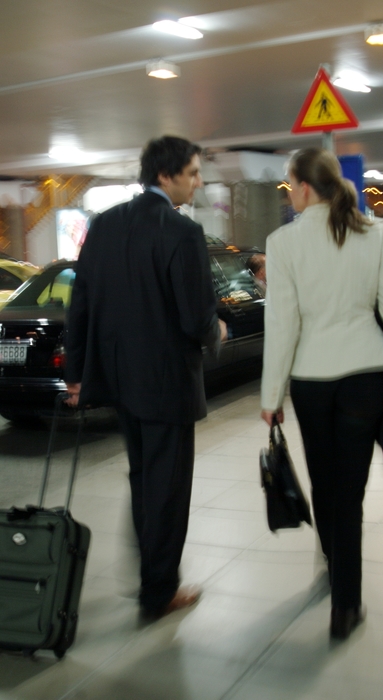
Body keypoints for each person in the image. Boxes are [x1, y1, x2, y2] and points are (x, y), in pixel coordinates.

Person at [65, 135, 227, 620]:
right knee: (169, 488)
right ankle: (159, 592)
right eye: (193, 173)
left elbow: (83, 305)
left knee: (144, 478)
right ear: (165, 175)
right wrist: (214, 329)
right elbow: (195, 316)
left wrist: (77, 372)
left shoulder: (105, 225)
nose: (198, 182)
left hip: (118, 380)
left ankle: (152, 579)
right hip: (167, 384)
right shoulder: (181, 232)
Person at [260, 148, 383, 640]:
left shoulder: (283, 243)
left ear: (305, 188)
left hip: (311, 382)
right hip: (365, 377)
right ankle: (346, 607)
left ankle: (332, 563)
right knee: (350, 493)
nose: (290, 193)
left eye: (290, 185)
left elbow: (283, 325)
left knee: (325, 481)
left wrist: (271, 395)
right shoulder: (374, 233)